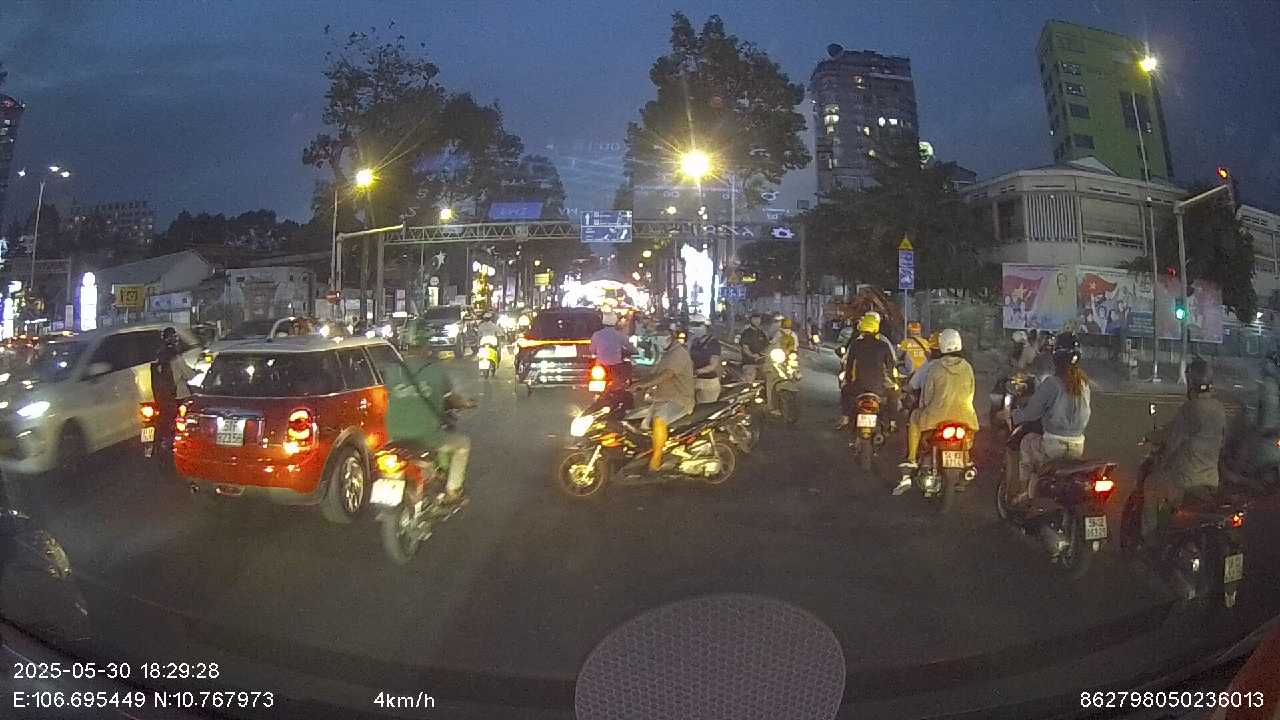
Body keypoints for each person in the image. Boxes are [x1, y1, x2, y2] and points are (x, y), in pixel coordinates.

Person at [1140, 358, 1225, 541]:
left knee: (1151, 484)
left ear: (1191, 382)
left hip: (1186, 480)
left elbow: (1172, 440)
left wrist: (1152, 440)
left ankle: (1149, 540)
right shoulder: (1219, 409)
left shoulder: (1191, 409)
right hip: (1211, 479)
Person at [382, 348, 475, 505]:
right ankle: (453, 491)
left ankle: (428, 479)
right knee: (463, 444)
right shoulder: (435, 371)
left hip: (394, 435)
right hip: (426, 435)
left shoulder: (393, 370)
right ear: (426, 349)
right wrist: (466, 404)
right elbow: (452, 399)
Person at [1005, 332, 1092, 502]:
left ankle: (1023, 493)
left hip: (1053, 444)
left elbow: (1031, 413)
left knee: (1026, 442)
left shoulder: (1052, 383)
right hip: (1077, 444)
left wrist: (1012, 416)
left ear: (1056, 356)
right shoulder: (1083, 384)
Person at [896, 328, 979, 494]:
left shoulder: (935, 367)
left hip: (936, 416)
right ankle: (967, 459)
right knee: (968, 435)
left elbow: (926, 396)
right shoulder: (968, 367)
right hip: (965, 416)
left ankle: (912, 458)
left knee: (915, 417)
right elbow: (971, 392)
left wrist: (926, 407)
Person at [633, 326, 695, 472]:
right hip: (662, 398)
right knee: (638, 422)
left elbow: (666, 374)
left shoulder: (678, 353)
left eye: (662, 336)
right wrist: (636, 382)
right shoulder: (666, 354)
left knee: (659, 420)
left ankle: (656, 460)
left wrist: (644, 385)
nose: (659, 340)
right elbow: (653, 373)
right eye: (657, 336)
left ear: (670, 337)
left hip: (679, 399)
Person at [839, 313, 897, 430]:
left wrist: (848, 382)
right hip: (879, 389)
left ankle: (845, 418)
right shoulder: (884, 345)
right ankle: (892, 423)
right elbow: (890, 366)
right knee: (894, 395)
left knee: (844, 391)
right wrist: (893, 381)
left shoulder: (855, 344)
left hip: (858, 387)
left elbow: (849, 366)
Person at [150, 327, 196, 452]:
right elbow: (188, 374)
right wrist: (196, 372)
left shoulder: (157, 357)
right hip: (177, 395)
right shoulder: (176, 357)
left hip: (162, 396)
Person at [590, 312, 634, 388]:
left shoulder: (596, 334)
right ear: (615, 323)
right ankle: (626, 385)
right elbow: (630, 347)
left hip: (600, 364)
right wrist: (634, 351)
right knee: (628, 365)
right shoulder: (619, 335)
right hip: (616, 365)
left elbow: (592, 350)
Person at [687, 314, 721, 403]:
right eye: (693, 324)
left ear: (706, 327)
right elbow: (689, 359)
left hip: (708, 382)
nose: (695, 327)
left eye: (698, 325)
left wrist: (696, 372)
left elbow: (713, 365)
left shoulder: (713, 343)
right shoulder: (694, 342)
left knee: (705, 408)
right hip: (694, 381)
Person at [738, 313, 769, 383]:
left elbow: (768, 345)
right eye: (755, 319)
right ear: (751, 320)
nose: (757, 321)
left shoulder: (761, 333)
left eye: (758, 319)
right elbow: (745, 348)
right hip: (749, 362)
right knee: (749, 379)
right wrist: (752, 355)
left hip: (762, 361)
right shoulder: (746, 333)